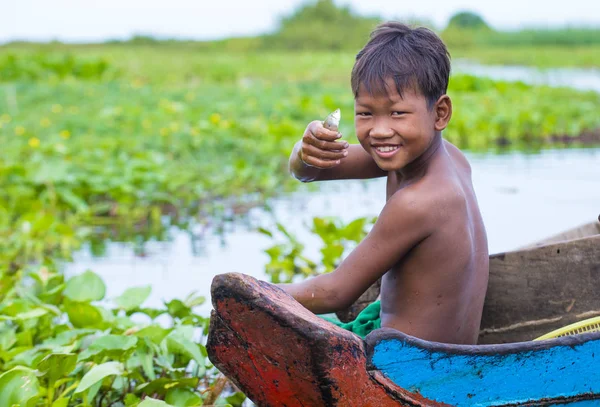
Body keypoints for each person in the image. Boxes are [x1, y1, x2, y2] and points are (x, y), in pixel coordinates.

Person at [278, 22, 489, 345]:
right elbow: (312, 171)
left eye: (397, 113)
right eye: (365, 113)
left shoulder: (419, 202)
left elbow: (337, 292)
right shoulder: (445, 157)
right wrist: (304, 150)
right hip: (440, 353)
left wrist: (252, 290)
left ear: (440, 112)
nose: (379, 130)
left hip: (409, 367)